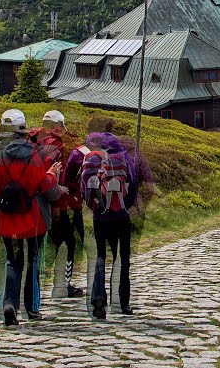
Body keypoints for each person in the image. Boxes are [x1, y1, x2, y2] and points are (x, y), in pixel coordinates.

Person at [0, 109, 63, 326]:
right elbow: (44, 187)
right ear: (24, 133)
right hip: (33, 218)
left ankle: (9, 303)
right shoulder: (36, 156)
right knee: (33, 260)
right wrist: (51, 176)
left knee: (12, 261)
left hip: (7, 219)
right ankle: (31, 308)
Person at [79, 131, 139, 319]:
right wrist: (123, 205)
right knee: (122, 258)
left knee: (100, 256)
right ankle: (122, 303)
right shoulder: (123, 157)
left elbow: (83, 188)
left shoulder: (92, 159)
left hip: (99, 217)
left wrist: (95, 207)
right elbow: (134, 184)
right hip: (120, 216)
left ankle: (98, 298)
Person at [31, 110, 84, 298]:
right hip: (51, 199)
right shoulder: (55, 146)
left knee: (33, 249)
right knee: (67, 242)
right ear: (56, 126)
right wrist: (57, 203)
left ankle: (31, 289)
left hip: (30, 201)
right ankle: (63, 284)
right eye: (61, 126)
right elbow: (55, 176)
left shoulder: (33, 140)